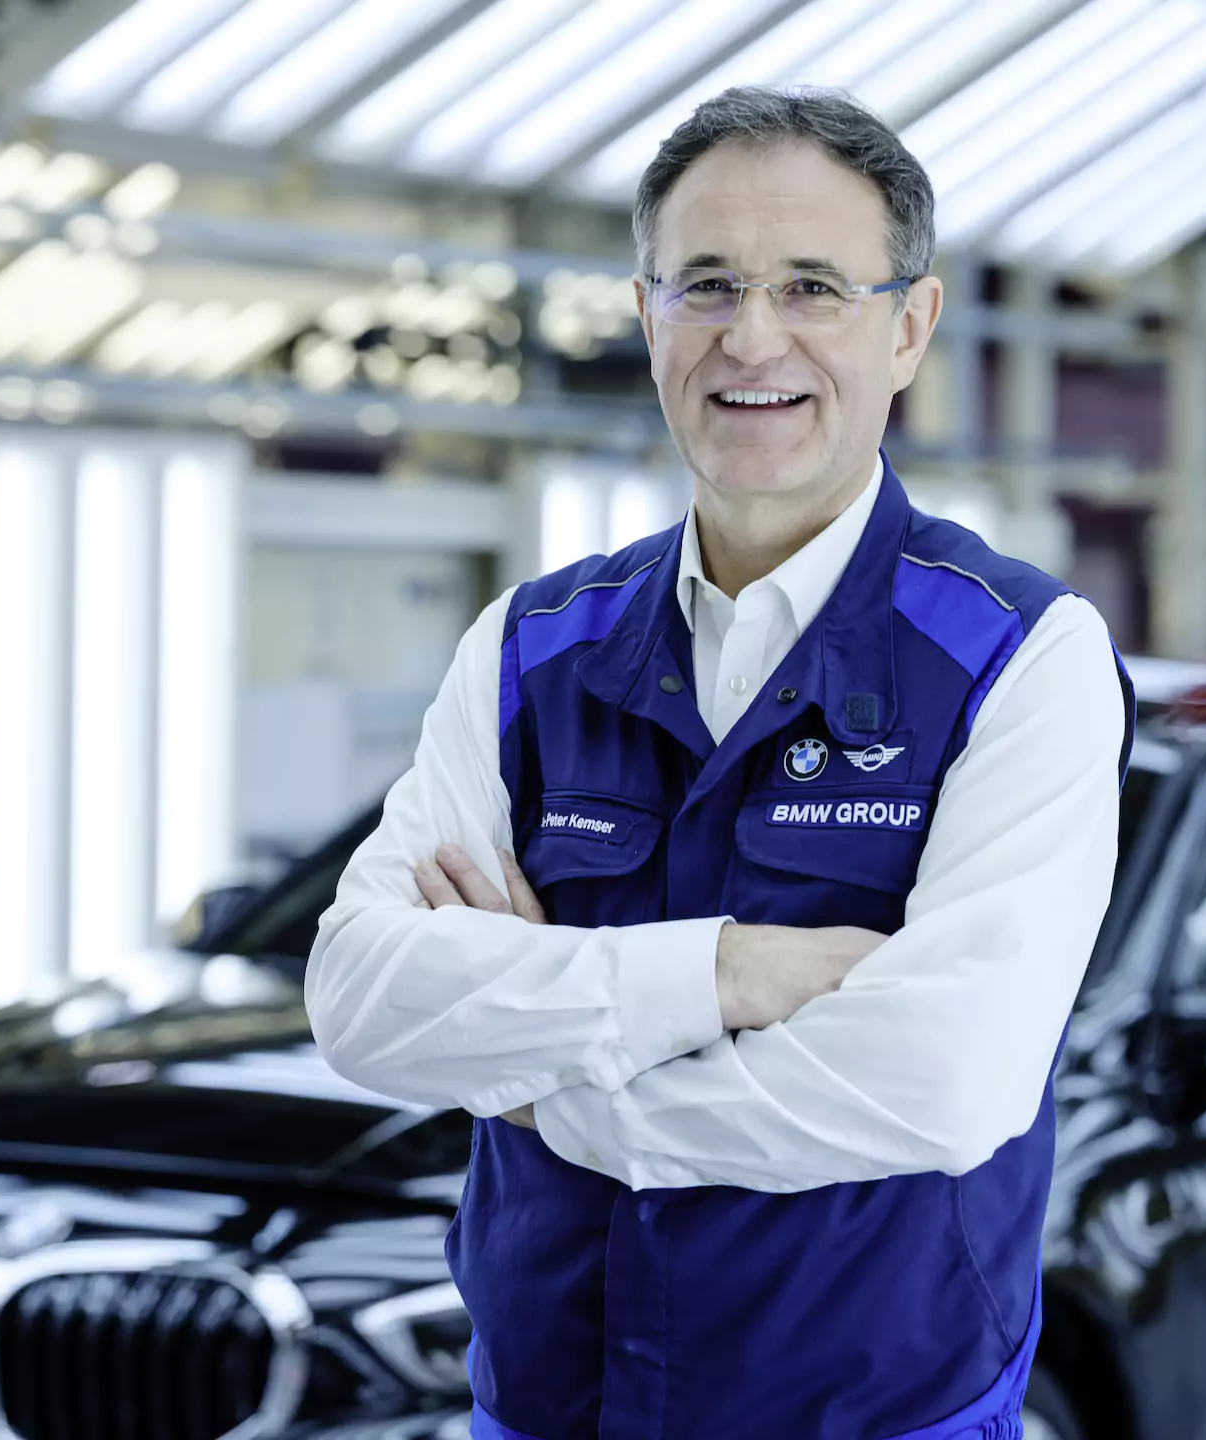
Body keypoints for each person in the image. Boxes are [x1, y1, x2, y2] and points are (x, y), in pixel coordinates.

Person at [309, 85, 1131, 1440]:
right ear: (648, 317)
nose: (753, 337)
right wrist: (730, 974)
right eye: (706, 285)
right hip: (549, 1410)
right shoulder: (530, 650)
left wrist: (551, 1080)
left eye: (813, 286)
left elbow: (946, 1077)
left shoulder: (1019, 656)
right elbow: (360, 998)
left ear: (909, 327)